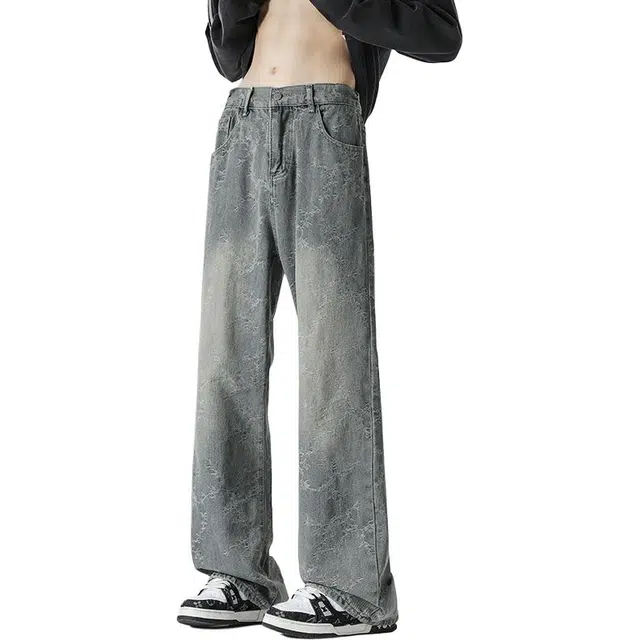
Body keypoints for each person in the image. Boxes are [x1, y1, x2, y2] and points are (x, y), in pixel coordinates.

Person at [177, 0, 462, 636]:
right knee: (224, 360)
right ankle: (238, 572)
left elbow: (441, 34)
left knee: (336, 363)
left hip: (325, 123)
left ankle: (349, 586)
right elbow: (227, 57)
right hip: (243, 122)